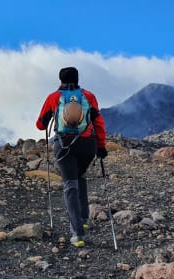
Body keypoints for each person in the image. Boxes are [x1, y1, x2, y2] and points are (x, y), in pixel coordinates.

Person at [35, 67, 107, 247]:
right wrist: (101, 146)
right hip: (87, 145)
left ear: (60, 80)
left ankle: (77, 234)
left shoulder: (53, 97)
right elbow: (98, 121)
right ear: (77, 78)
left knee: (70, 185)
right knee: (80, 176)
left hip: (64, 145)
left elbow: (40, 125)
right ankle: (83, 218)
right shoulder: (88, 96)